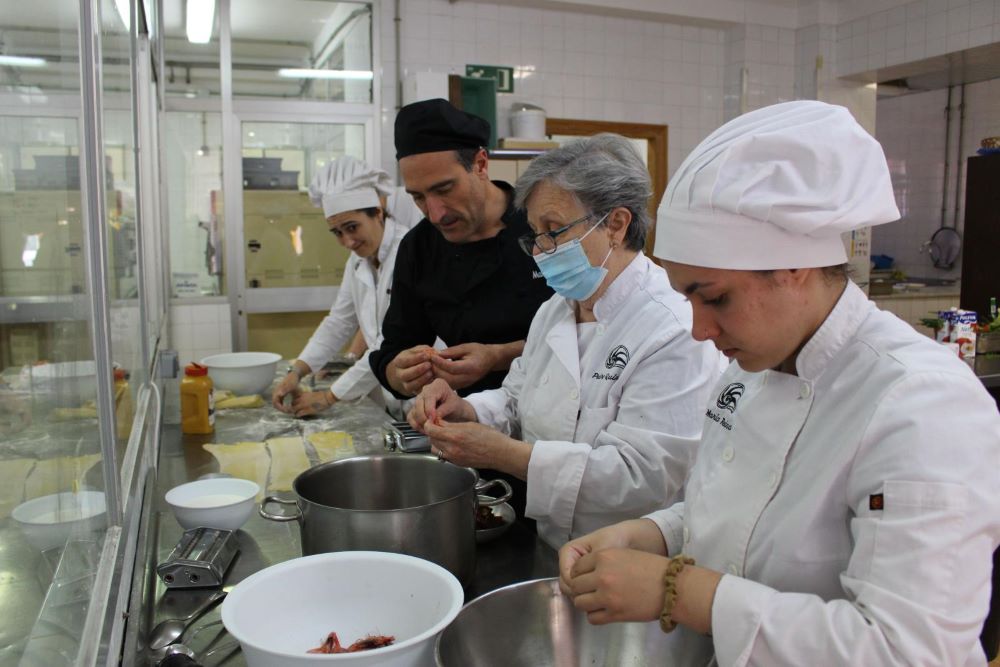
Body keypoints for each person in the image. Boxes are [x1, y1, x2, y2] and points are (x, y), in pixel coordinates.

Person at [558, 101, 1000, 666]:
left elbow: (906, 651)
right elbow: (730, 508)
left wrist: (680, 590)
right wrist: (651, 536)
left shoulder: (923, 405)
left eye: (714, 297)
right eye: (686, 297)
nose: (698, 328)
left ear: (794, 266)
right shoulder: (756, 365)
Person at [408, 134, 726, 549]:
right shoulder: (557, 309)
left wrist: (504, 455)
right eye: (535, 234)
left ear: (616, 224)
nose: (541, 250)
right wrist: (464, 408)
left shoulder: (672, 327)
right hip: (554, 545)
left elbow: (640, 477)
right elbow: (517, 397)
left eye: (554, 230)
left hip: (634, 561)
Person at [368, 98, 554, 518]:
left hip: (552, 445)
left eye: (443, 189)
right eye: (417, 197)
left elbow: (586, 337)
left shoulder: (541, 227)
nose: (434, 213)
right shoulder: (418, 248)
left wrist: (498, 354)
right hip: (467, 444)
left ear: (481, 164)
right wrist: (399, 372)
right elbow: (394, 344)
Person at [271, 156, 422, 418]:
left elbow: (388, 343)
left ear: (378, 211)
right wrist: (297, 371)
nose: (347, 241)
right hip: (392, 395)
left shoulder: (409, 254)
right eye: (338, 232)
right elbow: (339, 321)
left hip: (424, 394)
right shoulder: (359, 261)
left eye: (352, 227)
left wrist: (329, 396)